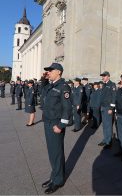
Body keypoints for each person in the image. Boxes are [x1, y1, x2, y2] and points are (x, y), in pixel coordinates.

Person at [41, 63, 72, 194]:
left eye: (50, 70)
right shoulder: (51, 85)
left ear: (58, 72)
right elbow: (43, 92)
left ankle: (58, 180)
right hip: (47, 122)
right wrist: (44, 79)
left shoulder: (63, 87)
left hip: (55, 124)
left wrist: (61, 125)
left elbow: (67, 109)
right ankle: (54, 176)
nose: (48, 73)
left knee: (56, 153)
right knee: (52, 153)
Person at [98, 71, 116, 149]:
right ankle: (105, 139)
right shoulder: (104, 85)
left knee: (108, 125)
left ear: (108, 76)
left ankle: (109, 142)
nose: (102, 77)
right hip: (103, 107)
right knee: (104, 125)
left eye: (104, 76)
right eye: (102, 76)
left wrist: (111, 108)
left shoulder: (112, 85)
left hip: (108, 108)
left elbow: (113, 97)